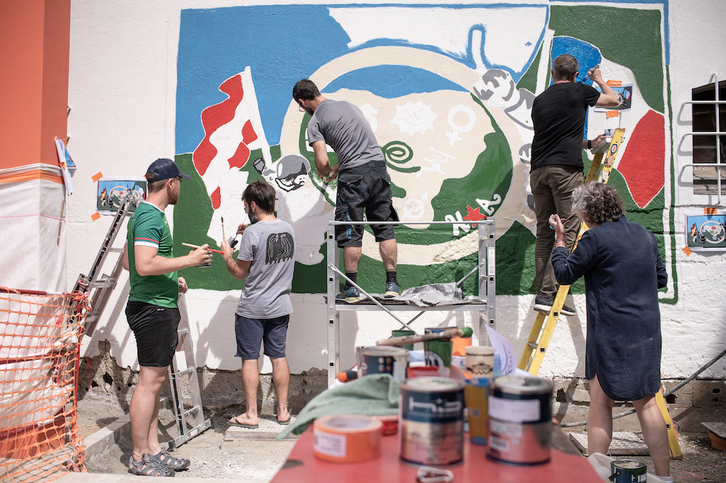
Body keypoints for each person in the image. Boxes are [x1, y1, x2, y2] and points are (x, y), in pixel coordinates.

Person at [549, 182, 672, 482]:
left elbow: (564, 274)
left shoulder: (595, 238)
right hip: (646, 330)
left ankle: (598, 474)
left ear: (588, 212)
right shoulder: (645, 235)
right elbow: (660, 279)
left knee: (601, 401)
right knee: (648, 402)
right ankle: (664, 477)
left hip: (611, 330)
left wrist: (560, 242)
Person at [122, 157, 212, 477]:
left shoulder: (143, 214)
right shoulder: (150, 217)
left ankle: (152, 451)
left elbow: (128, 263)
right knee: (149, 383)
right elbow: (144, 265)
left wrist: (172, 278)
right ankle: (138, 456)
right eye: (180, 184)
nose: (180, 189)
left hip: (153, 303)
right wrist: (187, 261)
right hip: (152, 308)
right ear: (171, 183)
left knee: (155, 381)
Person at [292, 79, 400, 301]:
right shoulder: (348, 106)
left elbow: (321, 161)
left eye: (301, 107)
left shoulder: (316, 121)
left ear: (302, 101)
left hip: (353, 178)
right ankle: (392, 284)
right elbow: (360, 146)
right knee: (385, 229)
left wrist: (324, 170)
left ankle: (350, 288)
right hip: (379, 170)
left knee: (351, 233)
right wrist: (337, 166)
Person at [530, 54, 620, 315]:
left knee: (545, 232)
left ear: (551, 73)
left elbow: (555, 136)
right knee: (568, 230)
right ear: (575, 74)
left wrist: (589, 144)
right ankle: (548, 295)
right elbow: (613, 100)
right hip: (565, 170)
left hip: (539, 170)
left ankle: (542, 293)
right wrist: (599, 80)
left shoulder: (539, 100)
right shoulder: (580, 90)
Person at [221, 181, 295, 428]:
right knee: (279, 357)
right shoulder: (288, 229)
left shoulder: (252, 233)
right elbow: (269, 237)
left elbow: (239, 273)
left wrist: (227, 256)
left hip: (253, 309)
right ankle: (283, 412)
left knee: (250, 359)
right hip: (280, 307)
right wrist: (251, 229)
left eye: (247, 206)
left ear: (253, 204)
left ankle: (252, 414)